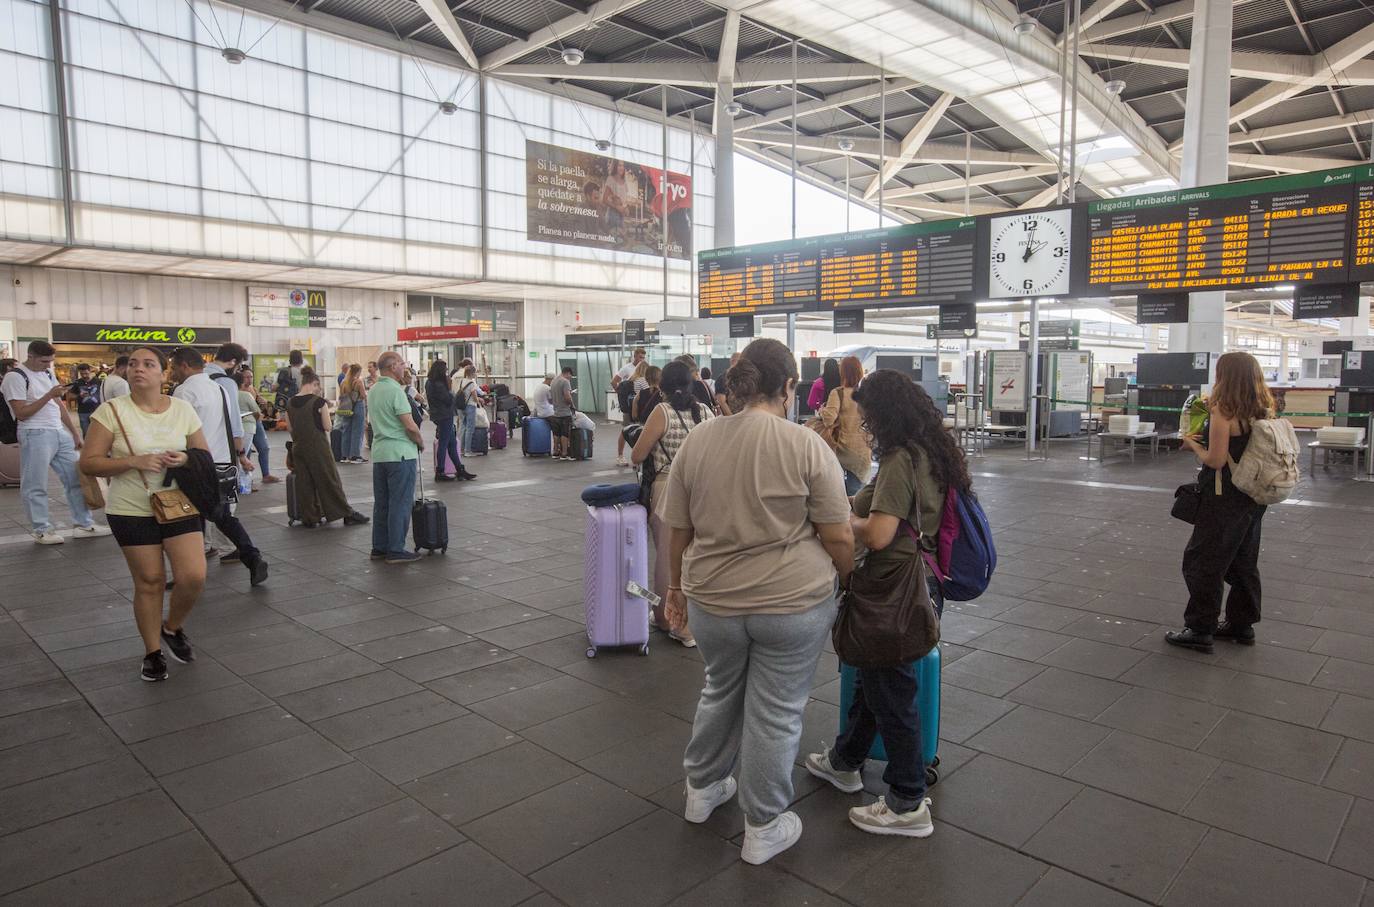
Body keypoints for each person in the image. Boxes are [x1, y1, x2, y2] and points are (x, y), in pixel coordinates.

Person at [659, 338, 854, 865]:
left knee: (720, 689)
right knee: (776, 712)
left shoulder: (699, 440)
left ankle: (702, 790)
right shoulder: (806, 445)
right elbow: (837, 535)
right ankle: (764, 826)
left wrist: (674, 589)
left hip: (713, 603)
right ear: (788, 386)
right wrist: (848, 577)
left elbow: (674, 525)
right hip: (791, 605)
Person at [806, 369, 968, 838]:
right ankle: (845, 761)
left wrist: (837, 518)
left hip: (891, 586)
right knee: (875, 681)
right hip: (917, 581)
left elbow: (879, 532)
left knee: (891, 691)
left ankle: (906, 800)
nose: (866, 423)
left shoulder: (901, 459)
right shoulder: (931, 452)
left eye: (868, 414)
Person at [79, 347, 210, 682]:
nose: (139, 369)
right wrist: (131, 462)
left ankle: (172, 627)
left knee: (193, 575)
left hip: (175, 502)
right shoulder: (111, 411)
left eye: (148, 364)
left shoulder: (182, 409)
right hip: (129, 509)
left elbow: (202, 454)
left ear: (163, 373)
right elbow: (89, 462)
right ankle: (152, 653)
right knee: (149, 582)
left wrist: (182, 459)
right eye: (133, 364)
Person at [1166, 351, 1274, 653]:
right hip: (1253, 495)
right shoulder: (1262, 408)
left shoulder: (1223, 410)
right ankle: (1242, 624)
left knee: (1202, 562)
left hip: (1222, 496)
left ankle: (1200, 628)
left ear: (1225, 376)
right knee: (1243, 562)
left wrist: (1191, 446)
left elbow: (1214, 460)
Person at [170, 347, 268, 586]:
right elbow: (234, 424)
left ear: (184, 366)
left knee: (190, 518)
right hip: (222, 460)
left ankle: (190, 571)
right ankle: (251, 557)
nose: (171, 373)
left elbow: (177, 430)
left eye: (173, 368)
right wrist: (240, 455)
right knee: (222, 515)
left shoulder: (183, 392)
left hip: (194, 462)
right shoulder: (220, 388)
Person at [630, 361, 712, 646]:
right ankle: (692, 625)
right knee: (693, 558)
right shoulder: (704, 412)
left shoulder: (661, 412)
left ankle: (669, 621)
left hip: (667, 489)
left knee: (668, 558)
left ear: (662, 386)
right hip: (701, 493)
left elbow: (638, 455)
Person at [1, 341, 111, 544]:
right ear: (31, 356)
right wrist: (48, 395)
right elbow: (21, 414)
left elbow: (58, 404)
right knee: (35, 483)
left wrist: (74, 433)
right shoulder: (15, 377)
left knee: (75, 478)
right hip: (34, 432)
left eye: (51, 361)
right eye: (44, 361)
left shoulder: (47, 373)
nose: (47, 365)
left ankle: (84, 524)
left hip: (58, 432)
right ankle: (41, 529)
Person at [286, 368, 370, 528]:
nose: (318, 389)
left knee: (305, 483)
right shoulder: (318, 402)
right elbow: (328, 426)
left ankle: (310, 516)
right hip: (318, 447)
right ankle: (345, 513)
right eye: (317, 386)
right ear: (313, 384)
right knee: (330, 480)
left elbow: (290, 428)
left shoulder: (290, 402)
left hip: (298, 447)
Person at [368, 351, 425, 565]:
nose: (405, 367)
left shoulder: (373, 390)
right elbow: (409, 425)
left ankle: (379, 547)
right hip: (400, 454)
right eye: (402, 363)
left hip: (380, 453)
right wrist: (419, 440)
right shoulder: (396, 392)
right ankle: (395, 549)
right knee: (400, 503)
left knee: (382, 503)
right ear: (392, 367)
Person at [819, 355, 871, 495]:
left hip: (841, 449)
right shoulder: (868, 394)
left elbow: (829, 420)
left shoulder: (838, 393)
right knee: (856, 494)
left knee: (837, 492)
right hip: (863, 451)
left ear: (843, 372)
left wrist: (822, 411)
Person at [425, 360, 475, 482]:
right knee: (443, 443)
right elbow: (448, 399)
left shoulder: (429, 382)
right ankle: (440, 471)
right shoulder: (439, 384)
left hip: (438, 415)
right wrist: (451, 392)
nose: (447, 372)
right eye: (445, 369)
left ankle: (459, 470)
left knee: (452, 443)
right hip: (445, 415)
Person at [237, 369, 278, 485]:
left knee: (264, 447)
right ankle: (246, 481)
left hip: (256, 422)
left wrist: (263, 402)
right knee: (246, 452)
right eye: (247, 377)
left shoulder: (253, 389)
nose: (249, 379)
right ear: (241, 378)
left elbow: (259, 405)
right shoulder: (236, 390)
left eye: (251, 377)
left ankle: (266, 474)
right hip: (245, 423)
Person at [613, 349, 647, 466]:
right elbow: (614, 381)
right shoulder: (627, 368)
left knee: (638, 431)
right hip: (629, 406)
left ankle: (637, 456)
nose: (641, 360)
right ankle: (620, 455)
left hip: (640, 408)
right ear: (634, 357)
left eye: (643, 357)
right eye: (639, 357)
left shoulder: (645, 370)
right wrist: (621, 393)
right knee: (625, 430)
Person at [337, 364, 367, 464]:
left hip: (346, 408)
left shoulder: (343, 382)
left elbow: (341, 396)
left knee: (346, 431)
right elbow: (363, 395)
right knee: (357, 431)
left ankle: (345, 456)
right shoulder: (358, 382)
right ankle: (355, 456)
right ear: (358, 371)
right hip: (357, 406)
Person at [456, 366, 484, 457]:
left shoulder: (462, 381)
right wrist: (479, 401)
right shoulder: (472, 383)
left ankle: (461, 449)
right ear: (472, 373)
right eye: (475, 372)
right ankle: (468, 451)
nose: (476, 374)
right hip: (470, 406)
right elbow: (475, 397)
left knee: (463, 427)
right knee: (470, 428)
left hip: (461, 407)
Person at [549, 366, 575, 460]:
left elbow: (550, 399)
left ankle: (556, 452)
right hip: (565, 412)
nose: (570, 378)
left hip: (555, 412)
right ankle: (564, 453)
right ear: (567, 373)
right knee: (564, 434)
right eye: (570, 376)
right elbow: (567, 397)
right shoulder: (565, 382)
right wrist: (571, 405)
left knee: (556, 434)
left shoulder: (553, 381)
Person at [70, 364, 102, 435]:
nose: (84, 376)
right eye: (82, 374)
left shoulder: (98, 381)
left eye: (86, 373)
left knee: (97, 433)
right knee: (86, 433)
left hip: (97, 411)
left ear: (90, 371)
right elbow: (71, 395)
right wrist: (79, 395)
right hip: (83, 412)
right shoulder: (78, 382)